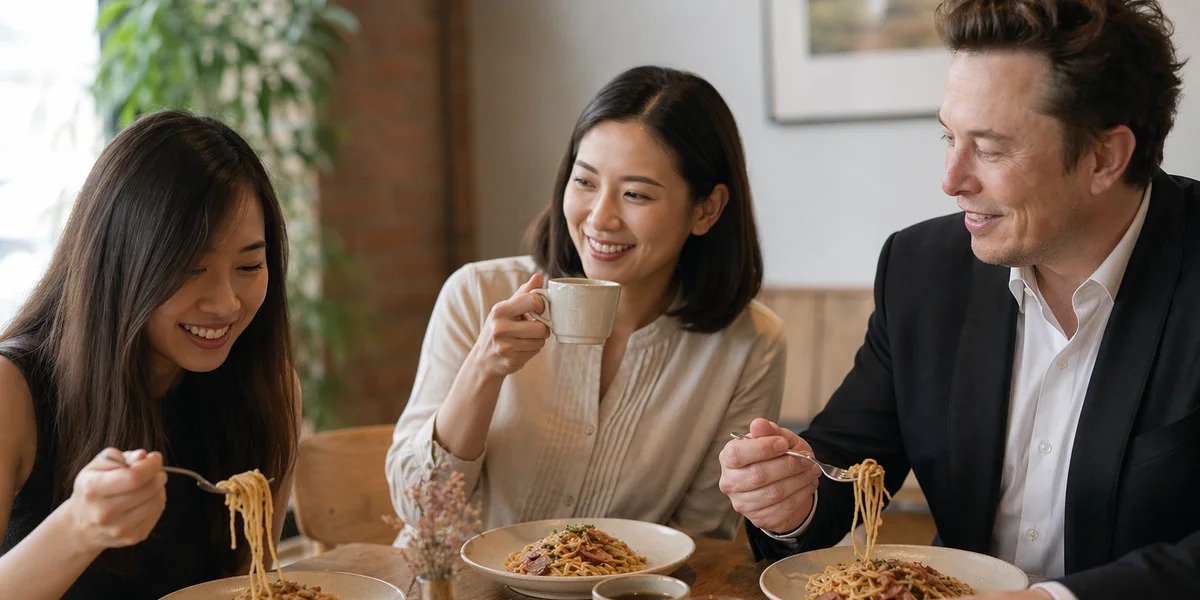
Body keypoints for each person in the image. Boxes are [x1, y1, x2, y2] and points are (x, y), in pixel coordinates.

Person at [718, 1, 1198, 598]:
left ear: (1104, 157)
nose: (951, 179)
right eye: (948, 136)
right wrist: (790, 496)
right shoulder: (923, 269)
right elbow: (845, 459)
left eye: (991, 149)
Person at [386, 65, 785, 540]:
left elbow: (700, 540)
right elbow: (421, 513)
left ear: (706, 209)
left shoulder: (749, 346)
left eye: (635, 193)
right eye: (585, 182)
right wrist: (483, 369)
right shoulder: (476, 293)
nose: (600, 218)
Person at [0, 110, 301, 599]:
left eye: (249, 265)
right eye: (190, 268)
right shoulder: (12, 390)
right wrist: (78, 528)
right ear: (120, 263)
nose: (226, 302)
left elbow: (253, 586)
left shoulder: (268, 388)